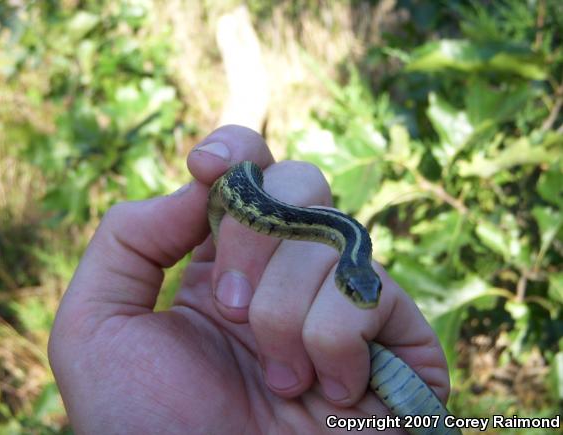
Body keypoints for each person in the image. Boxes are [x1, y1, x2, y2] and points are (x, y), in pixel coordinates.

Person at [48, 125, 450, 434]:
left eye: (366, 293)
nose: (362, 300)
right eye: (352, 292)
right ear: (344, 278)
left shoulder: (351, 242)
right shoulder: (343, 234)